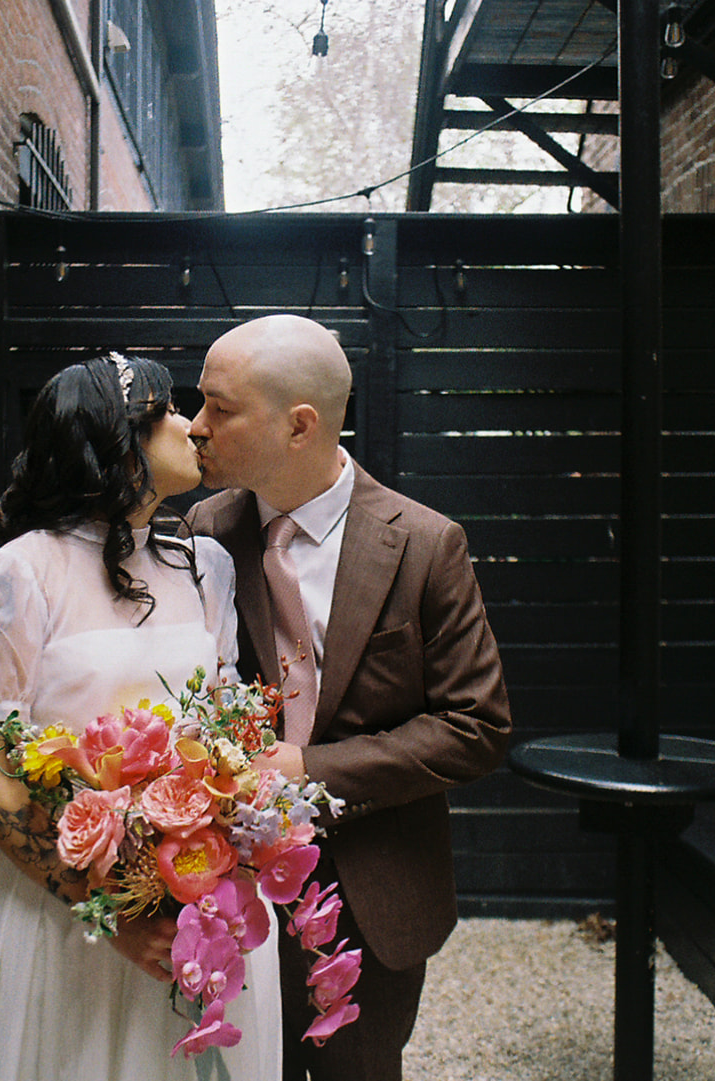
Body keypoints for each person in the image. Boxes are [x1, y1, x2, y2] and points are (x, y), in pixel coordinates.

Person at [186, 314, 513, 1081]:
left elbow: (478, 726)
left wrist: (308, 765)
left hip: (375, 893)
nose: (195, 427)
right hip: (230, 896)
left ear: (299, 426)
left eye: (219, 408)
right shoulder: (208, 529)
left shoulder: (427, 545)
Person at [0, 354, 281, 1080]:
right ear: (117, 437)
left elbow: (221, 735)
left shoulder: (204, 568)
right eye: (169, 412)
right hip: (62, 918)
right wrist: (114, 911)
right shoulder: (14, 577)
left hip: (195, 901)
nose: (194, 428)